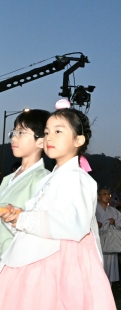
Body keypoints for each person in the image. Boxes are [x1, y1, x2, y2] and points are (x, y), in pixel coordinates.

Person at [0, 107, 116, 309]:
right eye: (46, 133)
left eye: (58, 131)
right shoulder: (52, 178)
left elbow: (73, 224)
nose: (49, 138)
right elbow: (36, 224)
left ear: (78, 141)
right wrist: (15, 218)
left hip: (60, 265)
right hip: (40, 259)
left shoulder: (78, 177)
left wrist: (22, 219)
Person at [0, 109, 51, 261]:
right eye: (14, 132)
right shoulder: (7, 178)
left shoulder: (44, 178)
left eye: (22, 133)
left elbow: (42, 228)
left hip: (16, 260)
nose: (14, 138)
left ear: (41, 140)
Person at [96, 187, 121, 284]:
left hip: (110, 242)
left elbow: (120, 224)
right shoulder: (92, 209)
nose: (107, 196)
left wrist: (114, 222)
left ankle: (109, 289)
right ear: (98, 196)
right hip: (97, 242)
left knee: (110, 268)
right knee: (98, 266)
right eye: (104, 194)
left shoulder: (113, 211)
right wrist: (95, 224)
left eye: (108, 194)